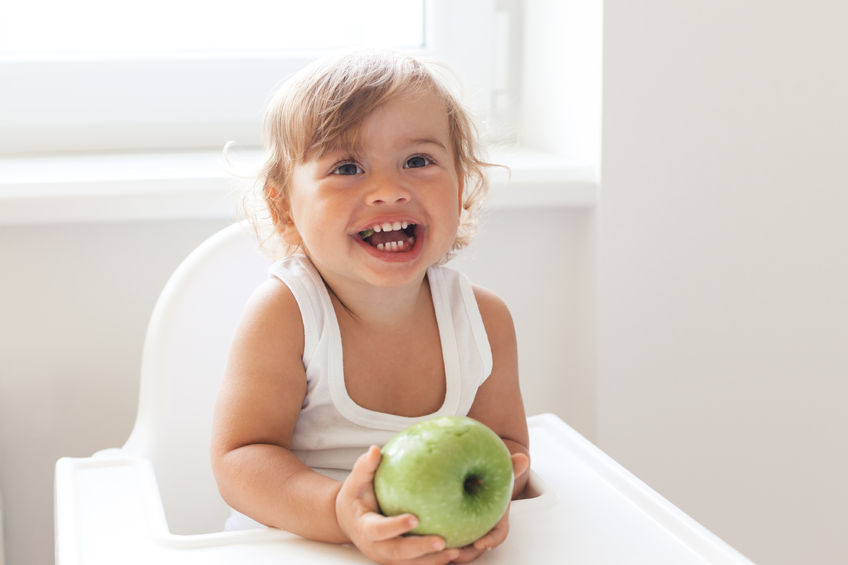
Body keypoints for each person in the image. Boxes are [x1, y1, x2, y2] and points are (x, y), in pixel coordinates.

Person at [211, 49, 530, 565]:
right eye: (348, 167)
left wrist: (492, 502)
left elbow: (506, 448)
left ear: (462, 189)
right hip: (298, 545)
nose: (388, 191)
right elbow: (242, 459)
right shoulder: (287, 314)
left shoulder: (483, 320)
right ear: (283, 208)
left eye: (418, 161)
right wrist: (340, 514)